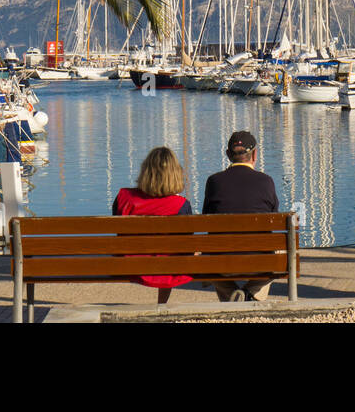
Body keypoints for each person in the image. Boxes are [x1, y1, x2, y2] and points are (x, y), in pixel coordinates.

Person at [202, 130, 279, 301]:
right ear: (255, 154)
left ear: (228, 155)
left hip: (221, 262)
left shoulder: (214, 181)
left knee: (212, 260)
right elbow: (274, 219)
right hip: (260, 262)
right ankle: (250, 294)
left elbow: (206, 218)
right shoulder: (266, 181)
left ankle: (232, 297)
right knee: (278, 256)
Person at [111, 146, 193, 304]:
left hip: (128, 265)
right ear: (175, 174)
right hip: (169, 269)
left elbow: (118, 234)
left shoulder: (123, 197)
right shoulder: (181, 205)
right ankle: (162, 304)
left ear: (145, 171)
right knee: (174, 255)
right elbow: (186, 244)